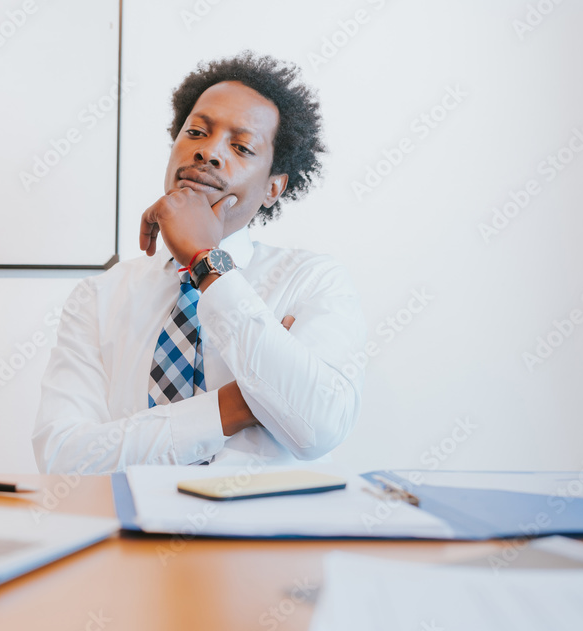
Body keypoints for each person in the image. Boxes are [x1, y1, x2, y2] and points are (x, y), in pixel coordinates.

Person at [32, 52, 366, 474]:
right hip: (129, 518)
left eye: (241, 147)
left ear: (273, 188)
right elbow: (62, 460)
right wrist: (234, 407)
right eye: (195, 132)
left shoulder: (312, 281)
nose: (208, 152)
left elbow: (319, 428)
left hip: (264, 520)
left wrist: (207, 263)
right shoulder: (99, 296)